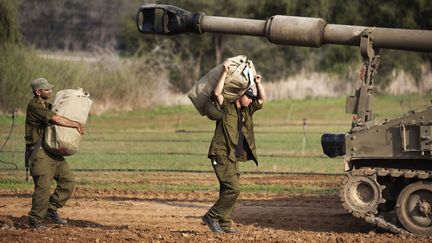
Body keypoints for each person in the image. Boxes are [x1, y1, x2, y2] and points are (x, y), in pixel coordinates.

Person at [202, 63, 266, 233]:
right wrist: (224, 73)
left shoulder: (247, 111)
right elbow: (216, 93)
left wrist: (258, 83)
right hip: (221, 154)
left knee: (227, 189)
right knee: (233, 189)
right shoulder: (226, 107)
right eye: (248, 96)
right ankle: (211, 216)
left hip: (233, 156)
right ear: (239, 96)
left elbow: (261, 100)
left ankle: (224, 224)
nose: (251, 99)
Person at [25, 77, 85, 229]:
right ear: (38, 92)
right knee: (43, 188)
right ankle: (35, 220)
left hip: (52, 151)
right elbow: (57, 119)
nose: (50, 91)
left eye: (50, 89)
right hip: (39, 152)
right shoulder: (35, 106)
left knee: (68, 181)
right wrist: (75, 124)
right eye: (46, 89)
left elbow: (61, 112)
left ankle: (51, 210)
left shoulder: (47, 105)